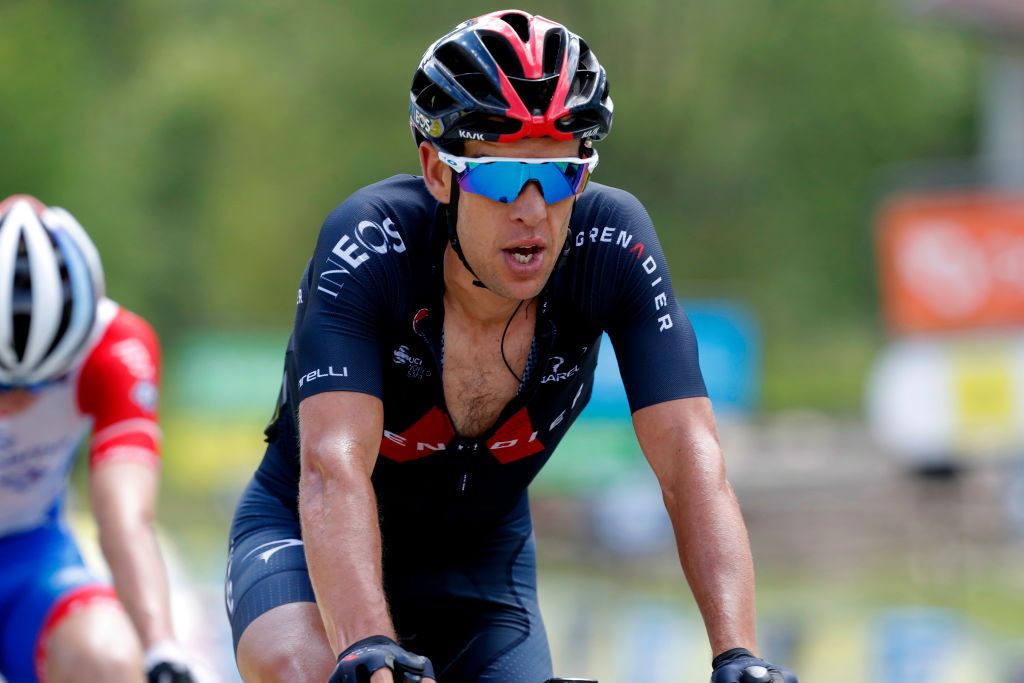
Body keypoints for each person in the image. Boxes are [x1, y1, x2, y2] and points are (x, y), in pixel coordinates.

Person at [225, 9, 798, 683]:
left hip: (480, 565)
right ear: (437, 173)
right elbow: (331, 467)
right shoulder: (369, 245)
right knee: (316, 672)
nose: (532, 209)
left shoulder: (613, 244)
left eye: (559, 175)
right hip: (307, 537)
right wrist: (366, 644)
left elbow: (691, 461)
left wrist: (738, 653)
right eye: (500, 178)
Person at [0, 195, 195, 683]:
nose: (16, 402)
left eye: (41, 382)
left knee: (106, 656)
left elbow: (124, 518)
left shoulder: (115, 346)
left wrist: (161, 649)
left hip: (33, 553)